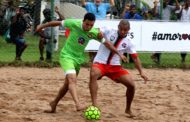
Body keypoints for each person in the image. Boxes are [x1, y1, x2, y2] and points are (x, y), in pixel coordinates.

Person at [36, 13, 104, 112]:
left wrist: (101, 36)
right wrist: (42, 26)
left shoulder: (93, 32)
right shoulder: (74, 23)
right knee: (72, 80)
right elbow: (57, 23)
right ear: (83, 21)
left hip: (78, 59)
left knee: (67, 85)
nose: (89, 27)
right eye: (87, 24)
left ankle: (54, 103)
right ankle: (78, 105)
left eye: (91, 25)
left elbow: (105, 42)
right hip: (66, 56)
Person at [89, 19, 148, 117]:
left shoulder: (129, 42)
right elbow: (97, 30)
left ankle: (128, 109)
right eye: (121, 29)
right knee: (93, 74)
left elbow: (135, 58)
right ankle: (94, 104)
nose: (123, 31)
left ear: (129, 29)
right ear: (118, 27)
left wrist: (141, 72)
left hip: (115, 67)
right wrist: (98, 33)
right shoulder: (109, 30)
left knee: (132, 85)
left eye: (125, 30)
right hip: (100, 62)